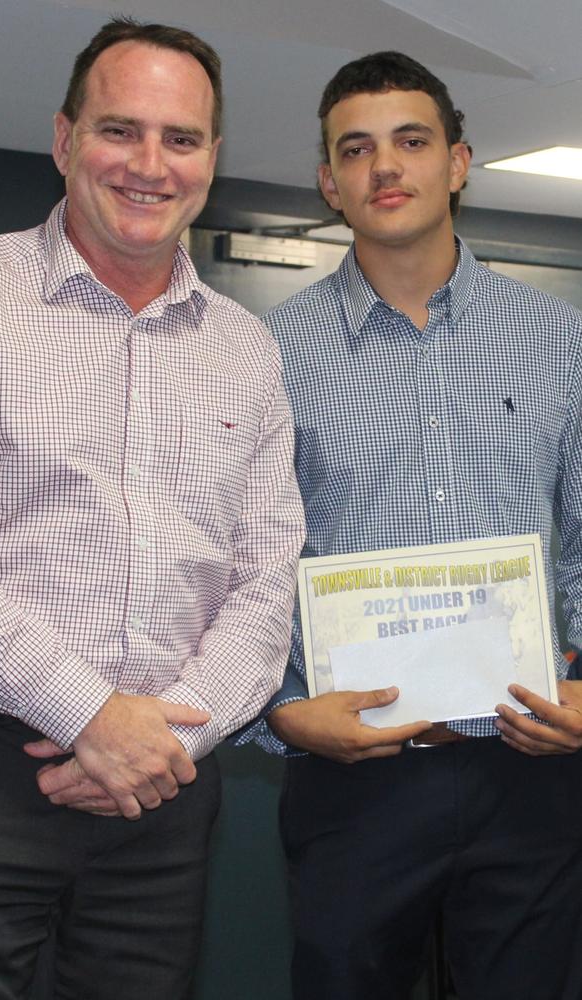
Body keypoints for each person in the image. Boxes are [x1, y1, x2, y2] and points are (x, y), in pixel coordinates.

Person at [0, 17, 304, 1000]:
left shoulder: (245, 349)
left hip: (166, 794)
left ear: (211, 160)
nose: (148, 164)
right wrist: (89, 712)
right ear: (63, 140)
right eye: (118, 130)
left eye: (179, 139)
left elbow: (264, 584)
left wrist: (156, 743)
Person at [243, 51, 582, 1000]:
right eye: (356, 150)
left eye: (412, 141)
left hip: (533, 768)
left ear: (459, 162)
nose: (385, 166)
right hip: (354, 777)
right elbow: (243, 568)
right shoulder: (264, 356)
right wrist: (277, 708)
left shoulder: (557, 339)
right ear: (329, 184)